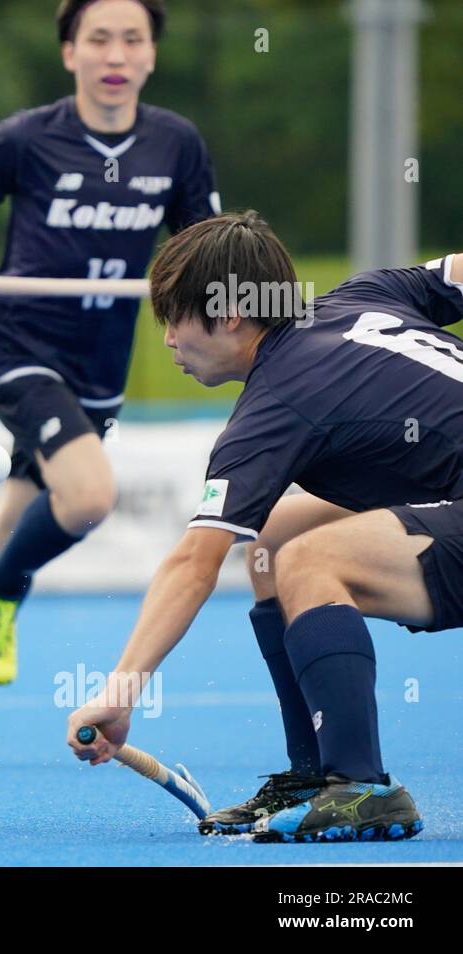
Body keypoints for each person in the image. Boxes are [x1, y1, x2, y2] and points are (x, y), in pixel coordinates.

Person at [67, 210, 463, 842]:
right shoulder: (361, 296)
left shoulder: (275, 403)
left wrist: (120, 691)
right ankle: (316, 775)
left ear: (228, 317)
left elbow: (194, 563)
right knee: (274, 538)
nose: (168, 339)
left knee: (312, 560)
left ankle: (363, 790)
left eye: (175, 317)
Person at [0, 0, 219, 765]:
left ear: (150, 56)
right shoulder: (24, 138)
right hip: (20, 343)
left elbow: (202, 246)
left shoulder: (176, 144)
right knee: (86, 497)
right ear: (69, 52)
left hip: (102, 360)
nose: (116, 53)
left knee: (14, 537)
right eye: (99, 38)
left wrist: (220, 309)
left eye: (132, 40)